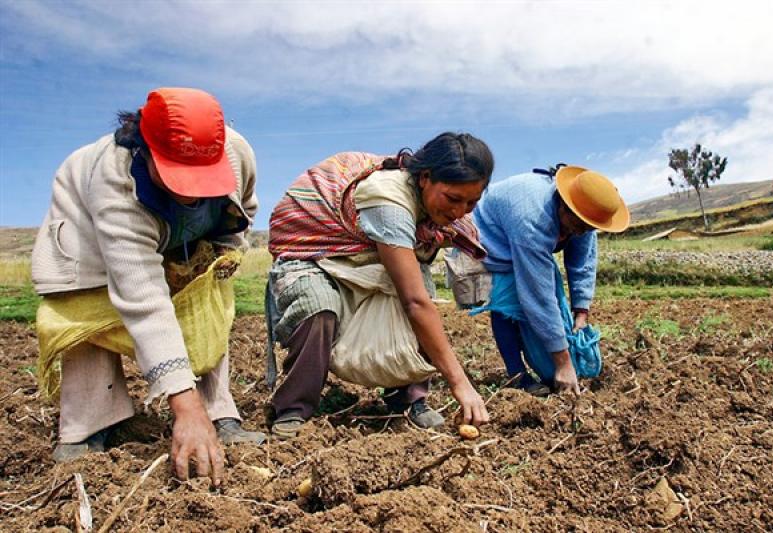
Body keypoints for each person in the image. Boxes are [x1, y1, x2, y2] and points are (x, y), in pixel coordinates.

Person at [31, 87, 265, 486]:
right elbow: (143, 300)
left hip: (186, 237)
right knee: (88, 315)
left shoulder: (235, 151)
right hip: (88, 242)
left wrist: (220, 255)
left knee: (204, 302)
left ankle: (218, 411)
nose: (189, 191)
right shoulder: (115, 185)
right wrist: (182, 408)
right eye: (178, 176)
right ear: (146, 150)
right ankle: (89, 427)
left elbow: (244, 206)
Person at [266, 133, 494, 439]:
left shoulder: (439, 214)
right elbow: (414, 302)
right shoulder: (388, 200)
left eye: (471, 202)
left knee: (421, 291)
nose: (459, 211)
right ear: (425, 178)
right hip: (317, 256)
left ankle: (409, 399)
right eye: (453, 199)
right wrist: (460, 382)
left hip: (369, 258)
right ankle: (294, 407)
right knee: (317, 307)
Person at [471, 165, 630, 396]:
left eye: (588, 228)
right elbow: (539, 297)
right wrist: (563, 364)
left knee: (551, 318)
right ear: (563, 207)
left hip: (523, 237)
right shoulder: (532, 220)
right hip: (491, 239)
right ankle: (517, 376)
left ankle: (547, 360)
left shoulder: (584, 214)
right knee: (507, 303)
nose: (580, 232)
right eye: (577, 226)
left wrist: (581, 309)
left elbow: (582, 261)